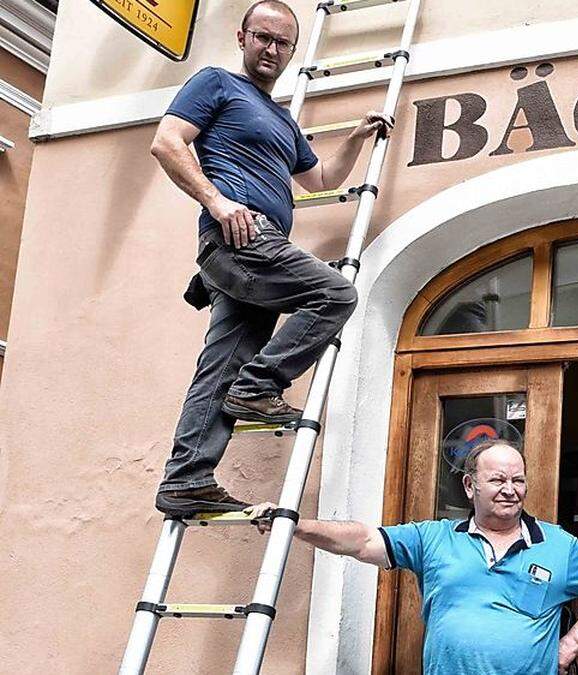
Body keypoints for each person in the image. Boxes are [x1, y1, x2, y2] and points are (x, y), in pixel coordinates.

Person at [152, 0, 395, 517]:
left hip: (251, 259)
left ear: (292, 50)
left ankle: (186, 480)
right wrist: (217, 202)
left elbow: (322, 179)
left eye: (282, 42)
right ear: (243, 38)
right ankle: (259, 386)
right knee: (335, 293)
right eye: (262, 37)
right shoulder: (216, 83)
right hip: (241, 240)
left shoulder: (283, 121)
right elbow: (168, 143)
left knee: (218, 370)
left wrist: (354, 136)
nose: (272, 49)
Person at [248, 439, 578, 675]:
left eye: (518, 480)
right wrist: (294, 525)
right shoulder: (433, 538)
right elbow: (362, 540)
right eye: (498, 480)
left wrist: (571, 644)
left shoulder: (557, 544)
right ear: (470, 485)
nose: (510, 490)